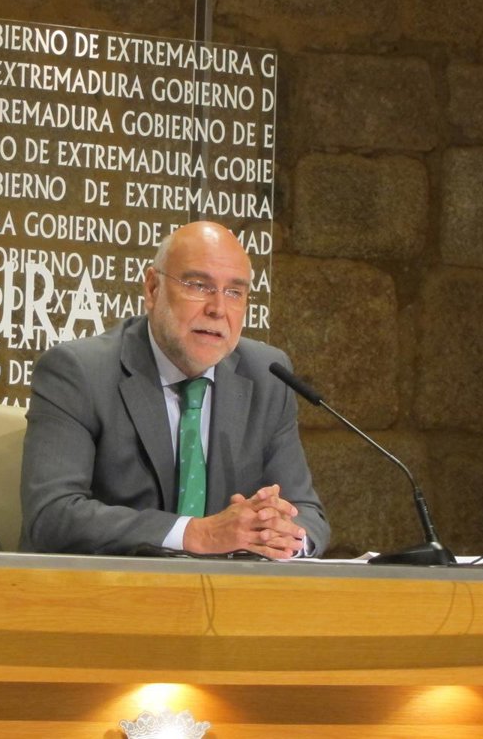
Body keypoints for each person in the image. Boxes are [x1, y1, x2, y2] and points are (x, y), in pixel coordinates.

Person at [20, 221, 329, 557]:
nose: (217, 309)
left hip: (227, 588)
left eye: (234, 292)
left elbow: (306, 513)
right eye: (198, 285)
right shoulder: (80, 372)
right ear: (153, 288)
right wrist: (196, 534)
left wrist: (283, 535)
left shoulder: (266, 375)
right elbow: (53, 515)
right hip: (112, 586)